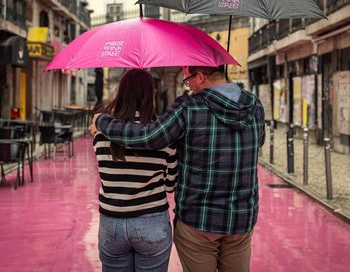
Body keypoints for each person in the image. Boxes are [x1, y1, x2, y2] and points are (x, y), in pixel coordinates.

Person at [90, 65, 265, 272]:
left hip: (198, 219)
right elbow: (258, 143)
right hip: (241, 218)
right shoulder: (255, 106)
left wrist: (101, 120)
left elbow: (147, 137)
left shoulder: (188, 108)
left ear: (200, 76)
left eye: (187, 79)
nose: (188, 85)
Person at [92, 68, 177, 272]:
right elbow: (170, 185)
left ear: (121, 93)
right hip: (151, 223)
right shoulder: (163, 136)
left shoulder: (101, 134)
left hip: (111, 223)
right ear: (151, 95)